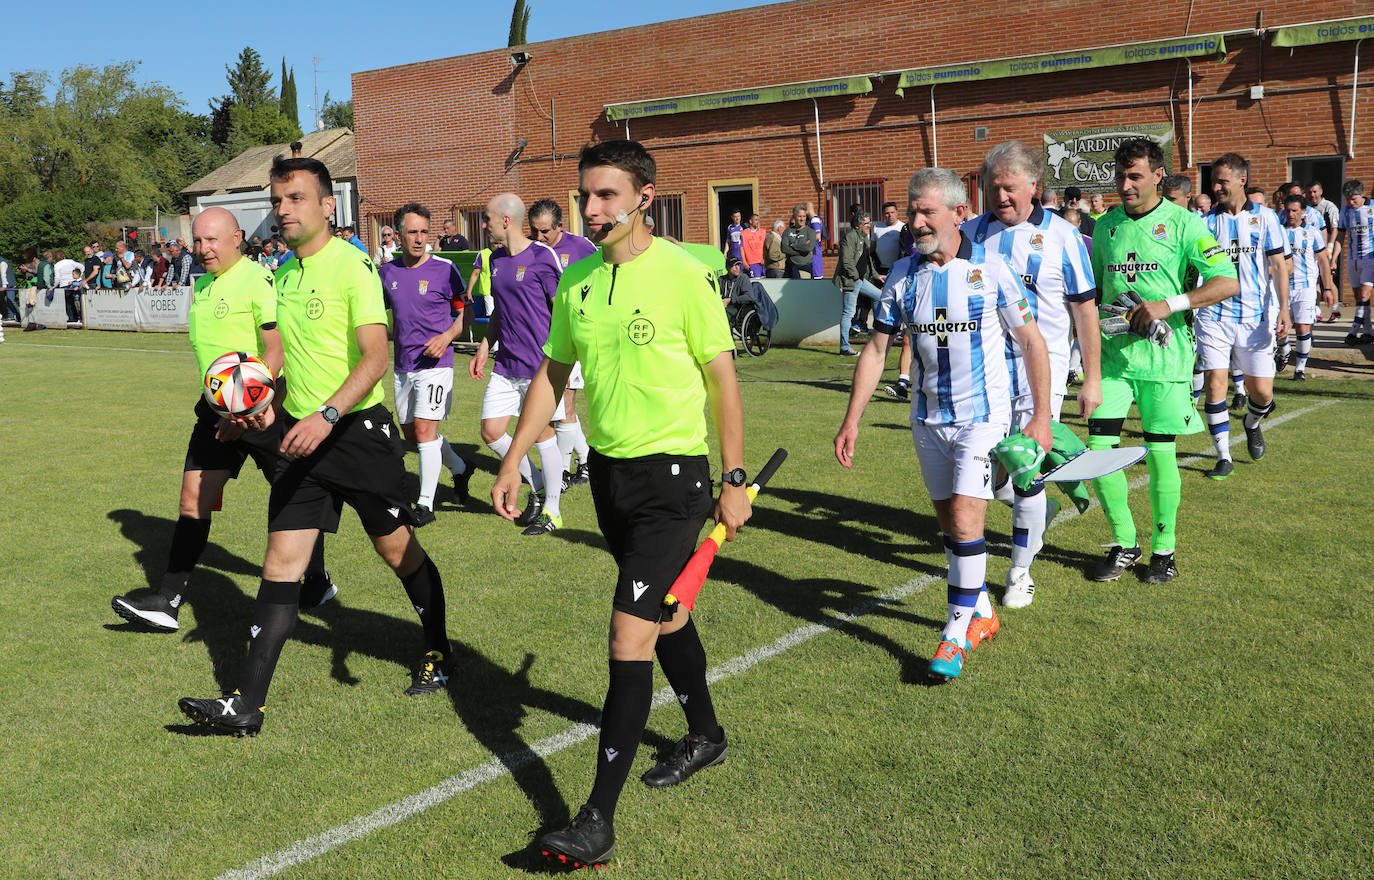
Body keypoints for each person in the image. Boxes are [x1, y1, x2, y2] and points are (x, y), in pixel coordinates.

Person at [491, 139, 750, 869]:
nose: (592, 209)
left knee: (627, 634)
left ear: (644, 195)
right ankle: (706, 733)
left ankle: (596, 821)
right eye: (585, 196)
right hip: (609, 479)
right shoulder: (575, 280)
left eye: (606, 195)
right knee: (670, 613)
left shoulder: (683, 275)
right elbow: (551, 374)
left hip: (673, 481)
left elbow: (723, 380)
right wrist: (514, 458)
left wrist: (733, 477)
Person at [177, 156, 454, 735]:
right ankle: (245, 703)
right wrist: (251, 410)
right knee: (281, 563)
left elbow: (376, 358)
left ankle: (437, 649)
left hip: (356, 435)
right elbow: (280, 361)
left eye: (296, 199)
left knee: (396, 552)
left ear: (329, 206)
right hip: (301, 438)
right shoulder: (280, 274)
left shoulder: (352, 268)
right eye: (278, 201)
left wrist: (328, 414)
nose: (284, 211)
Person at [836, 167, 1053, 679]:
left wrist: (1041, 416)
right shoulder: (902, 275)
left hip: (983, 417)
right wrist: (852, 420)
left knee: (964, 519)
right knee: (951, 529)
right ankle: (980, 612)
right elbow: (876, 348)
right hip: (926, 421)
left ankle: (953, 636)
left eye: (926, 211)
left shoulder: (993, 270)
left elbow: (1032, 343)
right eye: (912, 211)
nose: (916, 221)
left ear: (959, 214)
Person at [111, 207, 337, 633]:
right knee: (192, 499)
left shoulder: (258, 280)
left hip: (264, 409)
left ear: (237, 237)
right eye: (197, 241)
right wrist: (224, 407)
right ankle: (168, 601)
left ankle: (317, 580)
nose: (203, 249)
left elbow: (276, 349)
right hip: (214, 410)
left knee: (295, 497)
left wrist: (247, 408)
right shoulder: (204, 286)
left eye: (212, 240)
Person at [1087, 139, 1238, 583]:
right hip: (1113, 361)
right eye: (1120, 176)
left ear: (1158, 176)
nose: (1125, 184)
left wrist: (1167, 305)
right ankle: (1124, 544)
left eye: (1134, 176)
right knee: (1099, 452)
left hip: (1165, 360)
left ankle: (1164, 550)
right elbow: (1094, 291)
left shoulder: (1185, 224)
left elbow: (1227, 281)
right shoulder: (1105, 226)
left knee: (1159, 454)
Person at [963, 140, 1100, 608]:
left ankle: (1019, 571)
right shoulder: (969, 234)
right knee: (990, 472)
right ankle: (1039, 507)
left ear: (1034, 187)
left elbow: (1085, 312)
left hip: (1038, 375)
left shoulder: (1064, 236)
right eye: (992, 187)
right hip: (981, 376)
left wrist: (1094, 377)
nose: (1000, 197)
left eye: (1009, 188)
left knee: (1024, 466)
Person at [468, 193, 567, 535]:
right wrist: (484, 346)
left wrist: (563, 364)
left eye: (487, 219)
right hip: (505, 365)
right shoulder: (494, 260)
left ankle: (552, 510)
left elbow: (562, 311)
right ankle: (538, 485)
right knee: (491, 430)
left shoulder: (543, 256)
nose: (484, 225)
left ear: (506, 221)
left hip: (539, 367)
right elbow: (499, 312)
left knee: (542, 434)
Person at [378, 202, 475, 525]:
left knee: (423, 430)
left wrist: (447, 336)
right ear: (397, 235)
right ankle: (460, 468)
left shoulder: (445, 269)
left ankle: (425, 505)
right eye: (412, 232)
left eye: (423, 232)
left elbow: (464, 314)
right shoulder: (387, 273)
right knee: (412, 436)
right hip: (404, 365)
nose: (419, 239)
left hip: (438, 364)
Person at [1197, 152, 1290, 480]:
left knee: (1263, 393)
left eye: (1222, 181)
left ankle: (1252, 423)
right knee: (1215, 383)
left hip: (1256, 318)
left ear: (1241, 180)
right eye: (1214, 182)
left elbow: (1279, 266)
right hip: (1214, 317)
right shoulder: (1205, 223)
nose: (1216, 187)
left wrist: (1285, 311)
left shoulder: (1265, 217)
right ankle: (1223, 455)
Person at [528, 197, 598, 488]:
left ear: (560, 225)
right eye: (535, 231)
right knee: (560, 410)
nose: (540, 237)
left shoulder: (582, 248)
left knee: (563, 405)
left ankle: (564, 471)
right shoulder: (532, 251)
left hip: (574, 338)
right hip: (545, 341)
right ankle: (584, 463)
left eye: (545, 231)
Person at [1276, 194, 1335, 380]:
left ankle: (1299, 369)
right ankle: (1284, 349)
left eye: (1295, 210)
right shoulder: (1278, 231)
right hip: (1282, 287)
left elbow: (1323, 261)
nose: (1291, 214)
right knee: (1280, 328)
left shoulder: (1312, 232)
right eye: (1288, 210)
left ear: (1303, 212)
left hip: (1306, 287)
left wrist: (1327, 288)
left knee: (1302, 328)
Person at [833, 209, 881, 355]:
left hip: (861, 280)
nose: (869, 225)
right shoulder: (849, 237)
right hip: (851, 281)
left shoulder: (865, 237)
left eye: (869, 222)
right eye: (866, 223)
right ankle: (845, 347)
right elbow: (846, 261)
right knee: (848, 313)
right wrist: (855, 277)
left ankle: (880, 334)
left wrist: (876, 275)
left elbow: (868, 260)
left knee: (880, 296)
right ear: (858, 225)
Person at [1337, 180, 1374, 344]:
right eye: (1348, 199)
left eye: (1354, 199)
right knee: (1359, 298)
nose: (1351, 203)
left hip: (1369, 258)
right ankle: (1368, 332)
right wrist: (1333, 259)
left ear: (1362, 195)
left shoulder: (1372, 207)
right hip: (1352, 259)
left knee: (1365, 295)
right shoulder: (1345, 211)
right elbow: (1340, 236)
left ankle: (1352, 332)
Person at [781, 205, 814, 278]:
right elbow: (784, 248)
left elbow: (808, 248)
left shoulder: (810, 232)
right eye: (799, 216)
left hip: (805, 267)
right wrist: (802, 248)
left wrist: (793, 245)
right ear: (794, 217)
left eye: (804, 216)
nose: (802, 219)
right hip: (790, 267)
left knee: (804, 289)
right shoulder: (787, 232)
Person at [739, 213, 767, 278]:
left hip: (763, 262)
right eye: (756, 220)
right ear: (751, 221)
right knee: (756, 282)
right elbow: (741, 248)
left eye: (758, 220)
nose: (758, 222)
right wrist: (744, 262)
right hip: (752, 263)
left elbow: (767, 247)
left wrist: (765, 259)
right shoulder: (743, 233)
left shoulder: (763, 232)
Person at [806, 200, 825, 279]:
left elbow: (817, 236)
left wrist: (805, 243)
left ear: (807, 209)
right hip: (814, 250)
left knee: (816, 275)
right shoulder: (815, 219)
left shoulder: (814, 220)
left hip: (814, 250)